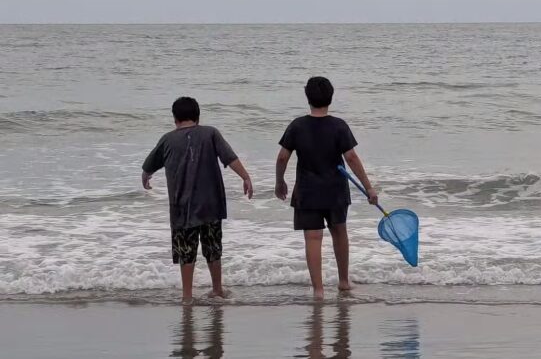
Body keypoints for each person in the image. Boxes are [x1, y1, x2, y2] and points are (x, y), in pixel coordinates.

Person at [142, 96, 253, 305]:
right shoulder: (210, 133)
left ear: (175, 119)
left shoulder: (167, 139)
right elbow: (229, 157)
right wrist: (245, 177)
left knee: (186, 251)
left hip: (182, 207)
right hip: (210, 204)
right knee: (213, 247)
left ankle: (187, 296)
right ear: (198, 117)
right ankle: (217, 289)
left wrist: (145, 177)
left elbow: (149, 165)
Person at [275, 77, 377, 300]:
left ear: (307, 98)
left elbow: (283, 157)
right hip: (335, 190)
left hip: (307, 191)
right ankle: (343, 282)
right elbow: (351, 157)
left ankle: (319, 291)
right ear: (331, 98)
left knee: (313, 238)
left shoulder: (297, 125)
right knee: (339, 232)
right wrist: (368, 187)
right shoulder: (339, 125)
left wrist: (279, 181)